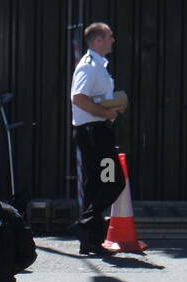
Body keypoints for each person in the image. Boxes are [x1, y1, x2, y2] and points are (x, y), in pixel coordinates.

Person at [69, 23, 127, 257]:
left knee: (95, 183)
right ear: (98, 40)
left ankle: (90, 241)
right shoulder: (89, 66)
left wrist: (111, 106)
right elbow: (78, 97)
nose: (113, 40)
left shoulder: (98, 66)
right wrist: (104, 113)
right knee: (114, 181)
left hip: (97, 131)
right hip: (94, 132)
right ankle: (84, 224)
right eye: (110, 37)